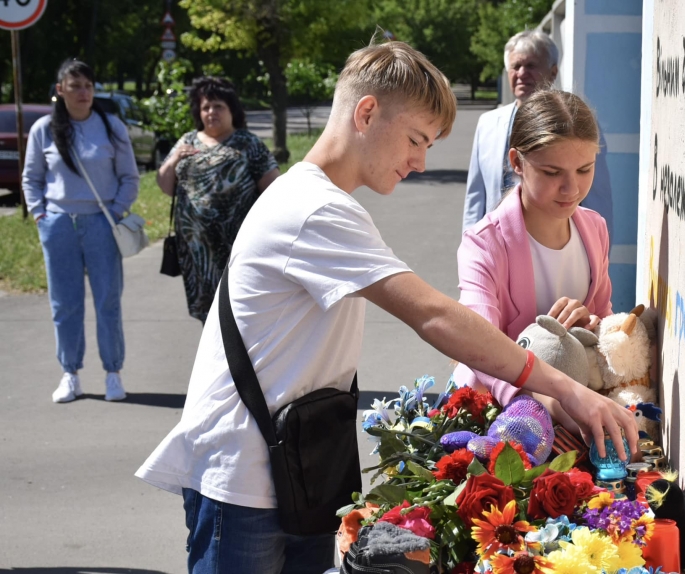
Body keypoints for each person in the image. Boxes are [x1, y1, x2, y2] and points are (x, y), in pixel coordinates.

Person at [136, 41, 637, 574]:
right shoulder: (314, 209)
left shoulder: (324, 201)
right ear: (367, 113)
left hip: (290, 472)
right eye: (416, 139)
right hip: (244, 484)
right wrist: (566, 389)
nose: (421, 162)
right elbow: (434, 314)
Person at [454, 90, 612, 430]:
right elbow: (479, 346)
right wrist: (556, 401)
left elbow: (605, 323)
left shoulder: (595, 228)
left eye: (585, 169)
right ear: (516, 162)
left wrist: (592, 322)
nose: (571, 188)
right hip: (496, 418)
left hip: (573, 413)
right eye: (553, 172)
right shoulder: (483, 244)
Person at [22, 59, 139, 404]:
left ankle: (113, 373)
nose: (83, 92)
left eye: (88, 85)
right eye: (75, 86)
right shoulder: (44, 128)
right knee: (64, 303)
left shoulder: (110, 125)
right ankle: (70, 373)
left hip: (101, 222)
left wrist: (114, 212)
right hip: (58, 223)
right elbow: (31, 178)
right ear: (60, 91)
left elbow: (130, 178)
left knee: (107, 301)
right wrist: (40, 215)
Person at [462, 30, 614, 239]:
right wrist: (469, 244)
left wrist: (597, 256)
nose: (522, 73)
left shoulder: (576, 123)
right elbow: (476, 197)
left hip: (556, 248)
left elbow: (598, 198)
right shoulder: (487, 123)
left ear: (553, 72)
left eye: (531, 65)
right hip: (496, 248)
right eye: (516, 66)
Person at [156, 76, 279, 324]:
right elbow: (166, 186)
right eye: (206, 107)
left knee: (239, 314)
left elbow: (274, 190)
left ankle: (239, 362)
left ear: (231, 110)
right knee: (208, 316)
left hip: (238, 249)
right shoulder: (187, 142)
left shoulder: (248, 143)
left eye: (218, 106)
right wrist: (173, 160)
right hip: (196, 253)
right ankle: (217, 362)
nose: (211, 112)